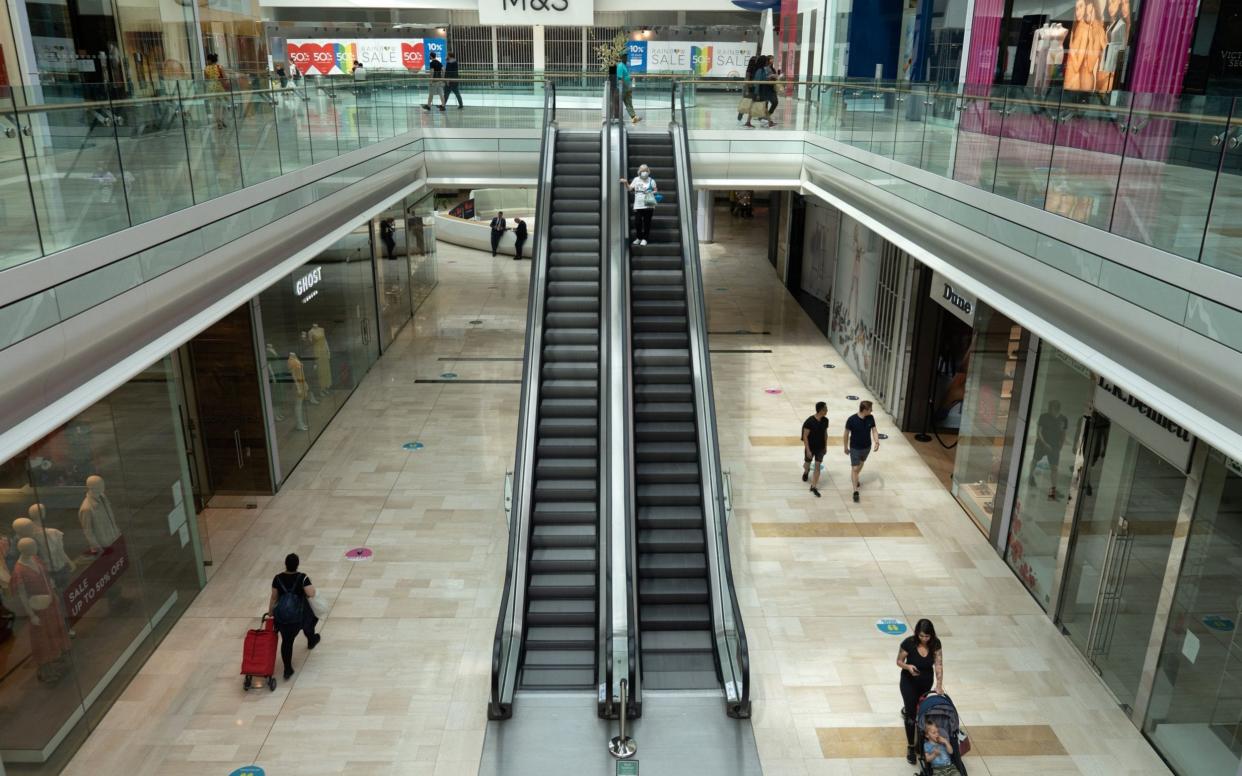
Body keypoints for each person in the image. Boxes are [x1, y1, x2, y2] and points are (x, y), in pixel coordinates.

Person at [897, 619, 943, 764]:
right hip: (908, 682)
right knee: (911, 714)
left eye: (927, 636)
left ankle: (920, 741)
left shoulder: (935, 644)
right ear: (917, 633)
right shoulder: (909, 643)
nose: (924, 639)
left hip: (925, 682)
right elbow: (899, 661)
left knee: (922, 712)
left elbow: (938, 665)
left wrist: (939, 685)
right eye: (921, 636)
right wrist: (908, 666)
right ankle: (911, 746)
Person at [268, 553, 321, 680]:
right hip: (299, 614)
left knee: (287, 642)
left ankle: (287, 669)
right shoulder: (302, 577)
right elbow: (311, 593)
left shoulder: (277, 578)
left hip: (283, 617)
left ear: (285, 564)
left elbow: (274, 597)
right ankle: (311, 639)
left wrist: (270, 612)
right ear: (297, 565)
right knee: (311, 620)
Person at [1029, 399, 1068, 500]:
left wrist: (1061, 446)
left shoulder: (1063, 419)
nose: (1049, 410)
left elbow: (1064, 433)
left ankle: (1053, 490)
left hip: (1054, 447)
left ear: (1056, 409)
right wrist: (1045, 444)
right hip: (1041, 445)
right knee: (1035, 460)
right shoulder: (1044, 417)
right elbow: (1039, 432)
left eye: (1051, 408)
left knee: (1054, 468)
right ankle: (1030, 476)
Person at [843, 399, 879, 503]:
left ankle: (855, 477)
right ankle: (855, 491)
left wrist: (877, 442)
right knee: (854, 468)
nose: (872, 411)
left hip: (866, 447)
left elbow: (874, 430)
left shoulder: (870, 418)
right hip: (855, 448)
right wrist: (845, 447)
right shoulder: (851, 420)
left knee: (861, 464)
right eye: (870, 409)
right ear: (865, 410)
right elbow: (846, 434)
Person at [620, 164, 657, 246]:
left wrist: (650, 192)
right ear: (639, 172)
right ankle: (639, 237)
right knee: (637, 222)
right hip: (638, 204)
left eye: (646, 171)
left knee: (647, 222)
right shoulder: (636, 180)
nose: (644, 172)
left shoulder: (651, 180)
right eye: (643, 171)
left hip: (648, 205)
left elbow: (655, 190)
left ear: (648, 171)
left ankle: (645, 239)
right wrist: (626, 182)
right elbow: (630, 189)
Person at [801, 401, 830, 497]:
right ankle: (806, 471)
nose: (827, 410)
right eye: (825, 409)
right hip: (811, 447)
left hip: (820, 448)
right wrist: (808, 450)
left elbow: (825, 434)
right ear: (820, 410)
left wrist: (825, 446)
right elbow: (805, 436)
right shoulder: (809, 422)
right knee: (807, 464)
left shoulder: (825, 421)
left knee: (817, 466)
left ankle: (813, 486)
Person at [203, 53, 229, 129]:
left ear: (210, 60)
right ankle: (223, 120)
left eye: (207, 59)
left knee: (215, 106)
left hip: (211, 88)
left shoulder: (206, 69)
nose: (207, 61)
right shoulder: (220, 67)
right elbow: (225, 77)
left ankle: (218, 122)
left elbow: (206, 80)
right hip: (220, 87)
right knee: (223, 105)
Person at [616, 55, 640, 124]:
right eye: (625, 58)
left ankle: (634, 117)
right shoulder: (620, 65)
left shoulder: (624, 65)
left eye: (626, 58)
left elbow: (625, 76)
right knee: (620, 103)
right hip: (623, 88)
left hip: (627, 88)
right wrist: (624, 87)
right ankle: (617, 118)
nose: (626, 60)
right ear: (622, 58)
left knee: (629, 103)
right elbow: (620, 78)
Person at [737, 56, 758, 122]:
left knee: (749, 103)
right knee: (747, 103)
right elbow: (747, 80)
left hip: (752, 88)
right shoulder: (749, 71)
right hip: (749, 88)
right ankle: (741, 114)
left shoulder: (754, 70)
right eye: (756, 61)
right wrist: (747, 90)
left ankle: (745, 117)